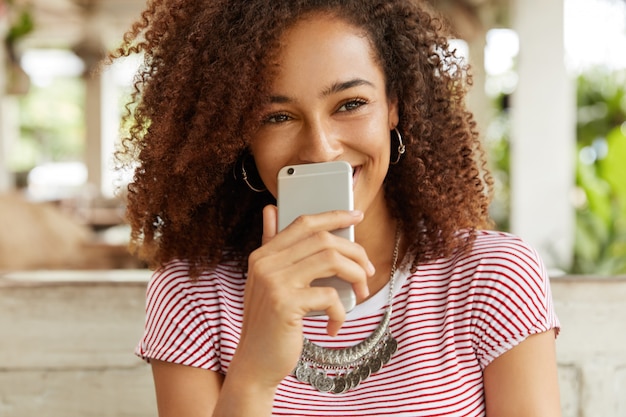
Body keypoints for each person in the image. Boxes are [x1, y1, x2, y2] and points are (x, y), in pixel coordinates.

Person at [111, 0, 562, 415]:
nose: (321, 148)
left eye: (350, 104)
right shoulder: (191, 292)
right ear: (237, 133)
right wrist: (253, 373)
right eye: (277, 117)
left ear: (393, 108)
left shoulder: (494, 275)